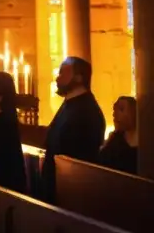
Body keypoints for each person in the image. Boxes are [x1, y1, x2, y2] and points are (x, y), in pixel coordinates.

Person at [41, 57, 106, 202]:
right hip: (56, 186)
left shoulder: (87, 111)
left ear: (78, 77)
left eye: (63, 72)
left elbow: (79, 158)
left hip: (72, 192)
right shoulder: (69, 104)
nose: (58, 77)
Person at [98, 95, 138, 175]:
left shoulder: (147, 146)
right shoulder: (114, 139)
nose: (115, 114)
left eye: (121, 109)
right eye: (114, 110)